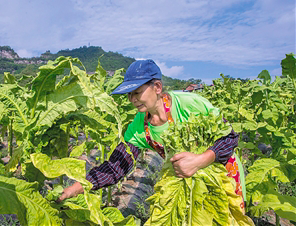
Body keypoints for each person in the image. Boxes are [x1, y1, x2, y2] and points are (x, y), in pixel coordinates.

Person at [58, 59, 244, 204]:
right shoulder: (139, 126)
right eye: (129, 94)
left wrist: (200, 160)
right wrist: (76, 188)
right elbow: (116, 166)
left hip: (221, 175)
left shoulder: (188, 103)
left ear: (157, 87)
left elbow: (229, 136)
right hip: (186, 182)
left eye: (137, 92)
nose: (132, 99)